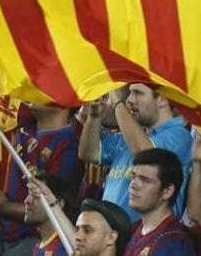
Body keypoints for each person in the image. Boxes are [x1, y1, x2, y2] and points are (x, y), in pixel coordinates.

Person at [79, 86, 192, 220]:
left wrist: (117, 103)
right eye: (130, 93)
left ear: (162, 98)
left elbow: (146, 155)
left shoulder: (180, 135)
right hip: (113, 235)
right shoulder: (130, 136)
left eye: (138, 93)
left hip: (150, 237)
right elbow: (89, 153)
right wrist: (94, 116)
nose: (130, 100)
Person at [0, 107, 80, 256]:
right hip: (3, 231)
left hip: (33, 237)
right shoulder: (26, 127)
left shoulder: (68, 144)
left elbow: (52, 202)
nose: (35, 89)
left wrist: (4, 207)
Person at [122, 149, 193, 255]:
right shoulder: (132, 230)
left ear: (167, 191)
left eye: (145, 180)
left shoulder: (174, 242)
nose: (133, 185)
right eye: (133, 176)